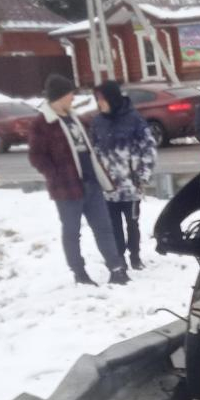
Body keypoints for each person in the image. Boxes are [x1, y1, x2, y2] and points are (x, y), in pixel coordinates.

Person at [28, 74, 128, 286]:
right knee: (72, 232)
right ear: (60, 96)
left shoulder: (75, 118)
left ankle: (116, 268)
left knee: (104, 227)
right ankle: (79, 273)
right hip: (66, 189)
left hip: (91, 183)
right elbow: (36, 156)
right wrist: (56, 174)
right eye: (70, 93)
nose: (73, 97)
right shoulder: (42, 123)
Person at [89, 80, 155, 271]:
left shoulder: (134, 119)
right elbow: (93, 152)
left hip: (131, 185)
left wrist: (143, 176)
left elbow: (148, 149)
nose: (99, 103)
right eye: (97, 99)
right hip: (109, 187)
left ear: (112, 98)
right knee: (113, 226)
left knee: (132, 224)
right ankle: (120, 257)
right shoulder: (97, 122)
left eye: (101, 99)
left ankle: (135, 255)